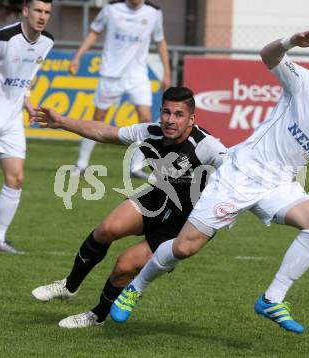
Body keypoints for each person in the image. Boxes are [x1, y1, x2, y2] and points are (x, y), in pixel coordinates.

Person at [110, 30, 309, 334]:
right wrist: (291, 41)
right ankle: (135, 289)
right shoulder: (306, 84)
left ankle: (272, 299)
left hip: (278, 184)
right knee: (183, 248)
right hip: (240, 174)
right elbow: (269, 56)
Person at [31, 86, 227, 328]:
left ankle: (97, 315)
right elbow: (105, 132)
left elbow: (236, 167)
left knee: (125, 265)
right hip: (159, 196)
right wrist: (62, 122)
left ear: (191, 118)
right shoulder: (149, 132)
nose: (170, 120)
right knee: (107, 229)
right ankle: (69, 286)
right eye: (166, 112)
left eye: (178, 114)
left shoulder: (206, 145)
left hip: (185, 221)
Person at [68, 0, 171, 179]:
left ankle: (136, 167)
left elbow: (160, 41)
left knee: (145, 119)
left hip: (137, 76)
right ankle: (82, 164)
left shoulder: (153, 12)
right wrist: (77, 57)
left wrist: (166, 72)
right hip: (111, 75)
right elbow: (94, 32)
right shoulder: (111, 9)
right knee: (98, 119)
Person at [0, 0, 54, 254]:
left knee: (16, 178)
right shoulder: (4, 38)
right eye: (38, 11)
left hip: (11, 122)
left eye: (46, 12)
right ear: (25, 11)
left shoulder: (47, 42)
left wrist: (28, 104)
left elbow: (25, 78)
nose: (42, 17)